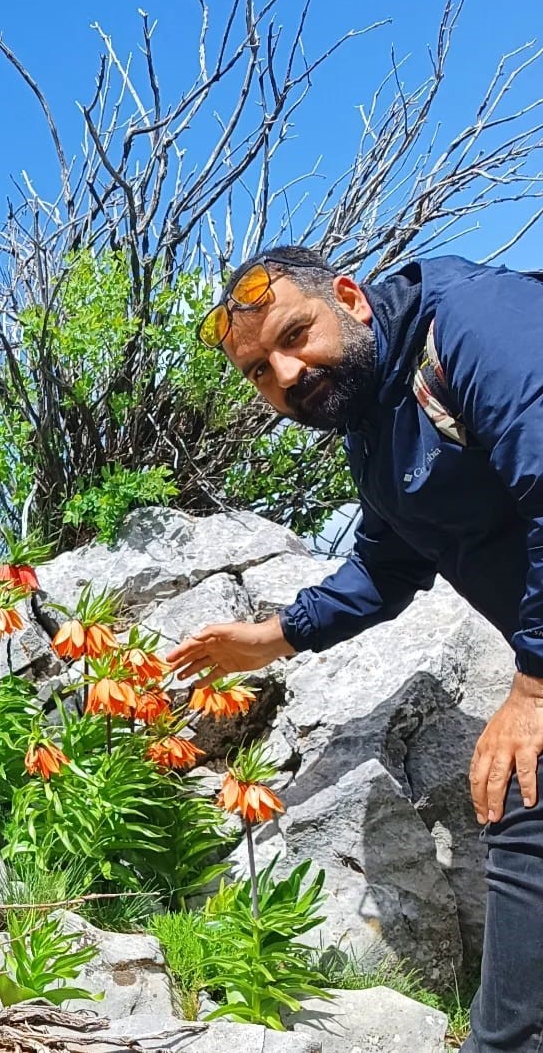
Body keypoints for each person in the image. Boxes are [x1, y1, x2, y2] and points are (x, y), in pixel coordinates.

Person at [164, 246, 543, 1053]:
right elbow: (387, 560)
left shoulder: (472, 325)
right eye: (261, 371)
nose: (288, 374)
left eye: (295, 335)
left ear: (350, 298)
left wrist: (534, 688)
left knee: (523, 788)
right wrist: (269, 638)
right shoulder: (373, 423)